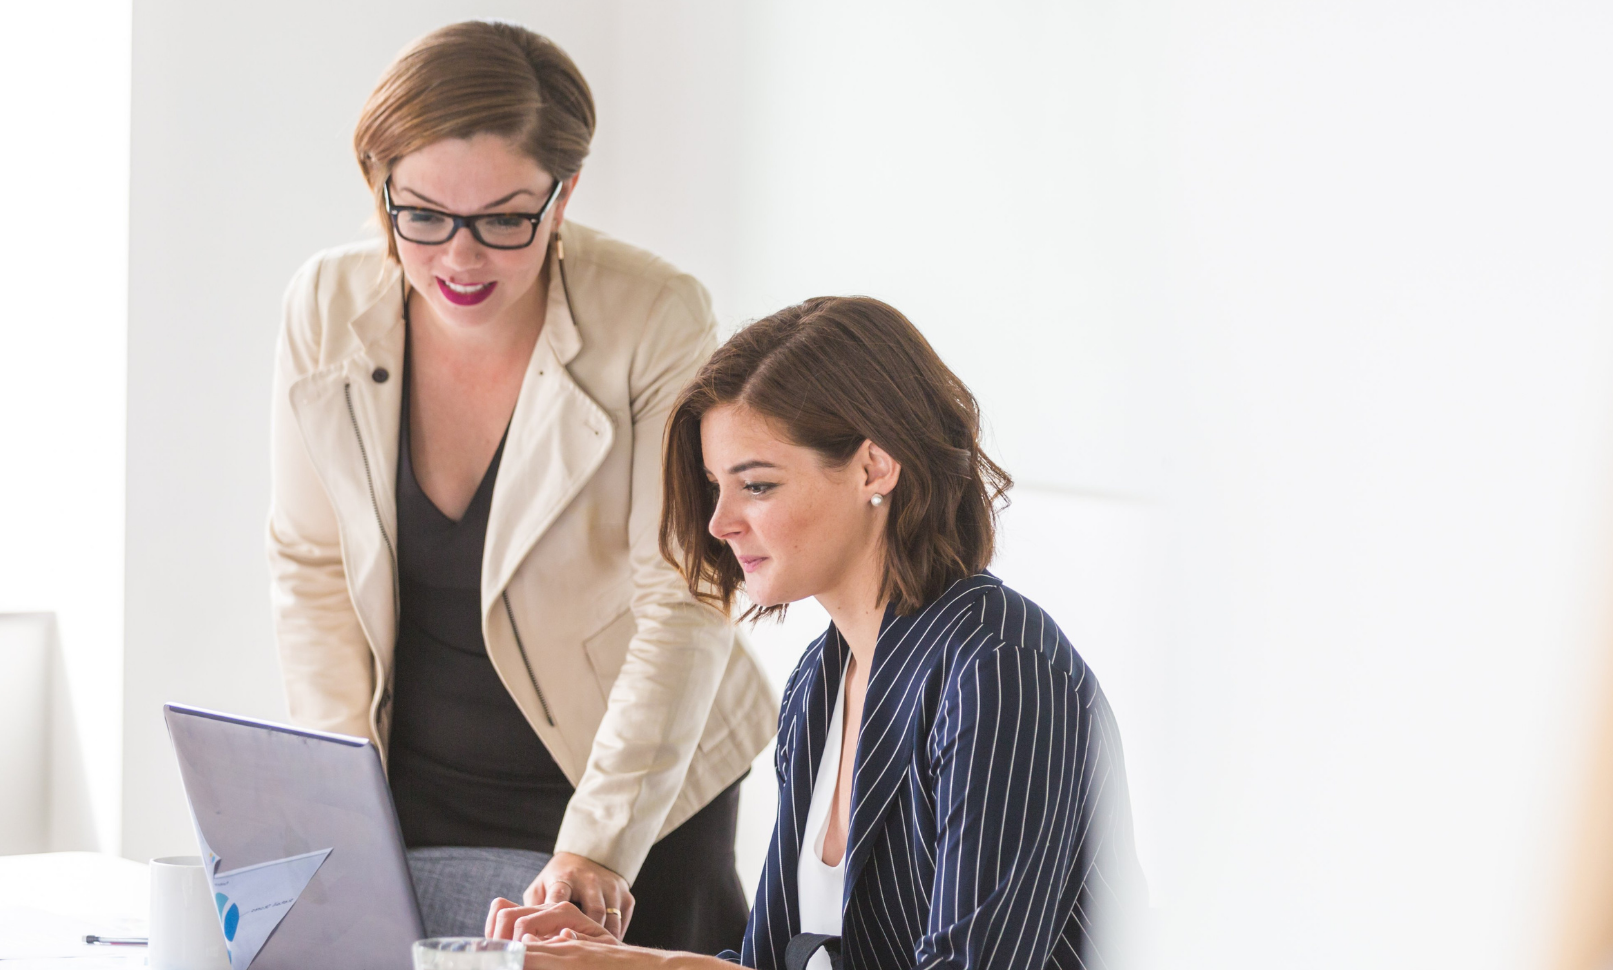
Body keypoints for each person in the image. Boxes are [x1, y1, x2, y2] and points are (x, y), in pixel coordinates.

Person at [265, 21, 776, 952]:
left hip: (635, 790)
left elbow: (685, 592)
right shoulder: (324, 307)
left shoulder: (655, 315)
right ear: (379, 187)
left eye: (505, 219)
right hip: (416, 787)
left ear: (564, 192)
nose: (459, 259)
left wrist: (597, 850)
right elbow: (310, 564)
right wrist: (340, 803)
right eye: (419, 215)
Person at [485, 296, 1140, 969]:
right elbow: (774, 962)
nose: (720, 522)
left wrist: (646, 968)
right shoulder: (820, 680)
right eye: (716, 486)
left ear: (874, 468)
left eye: (758, 486)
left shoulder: (1001, 669)